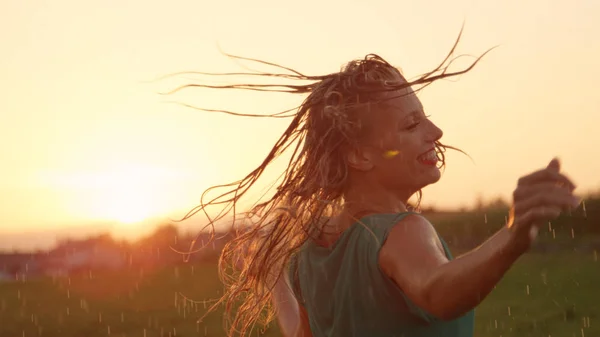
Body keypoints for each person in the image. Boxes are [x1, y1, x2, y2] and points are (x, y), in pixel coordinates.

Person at [172, 35, 580, 337]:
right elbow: (438, 291)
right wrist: (511, 236)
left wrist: (277, 279)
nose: (436, 132)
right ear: (359, 156)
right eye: (411, 124)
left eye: (425, 118)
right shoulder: (402, 231)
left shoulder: (311, 252)